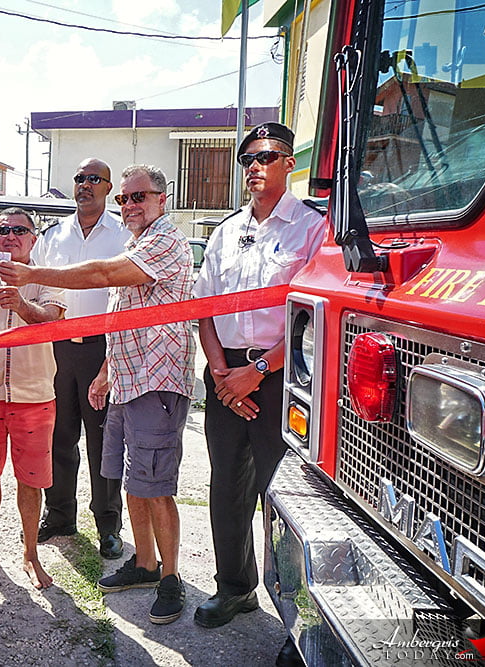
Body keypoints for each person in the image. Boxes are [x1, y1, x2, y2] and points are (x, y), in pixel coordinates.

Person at [0, 164, 194, 625]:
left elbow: (104, 275)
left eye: (137, 196)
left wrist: (31, 273)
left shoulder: (165, 239)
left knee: (156, 486)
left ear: (162, 198)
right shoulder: (137, 241)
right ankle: (144, 563)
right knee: (132, 480)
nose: (129, 205)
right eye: (125, 198)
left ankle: (170, 578)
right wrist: (107, 371)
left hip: (156, 379)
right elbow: (121, 313)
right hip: (127, 375)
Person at [191, 122, 327, 632]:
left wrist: (259, 370)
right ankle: (235, 590)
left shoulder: (312, 226)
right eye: (247, 157)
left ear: (289, 163)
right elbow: (204, 309)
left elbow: (313, 317)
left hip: (281, 375)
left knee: (284, 497)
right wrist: (224, 373)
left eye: (266, 156)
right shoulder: (226, 230)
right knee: (226, 486)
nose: (253, 165)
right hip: (225, 371)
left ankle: (297, 618)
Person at [31, 158, 131, 560]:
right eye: (79, 178)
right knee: (58, 436)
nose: (85, 185)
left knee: (104, 441)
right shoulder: (52, 238)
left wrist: (111, 362)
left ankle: (108, 524)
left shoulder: (124, 236)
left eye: (94, 179)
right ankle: (58, 515)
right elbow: (34, 284)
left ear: (108, 189)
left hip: (101, 352)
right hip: (56, 351)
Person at [0, 207, 66, 590]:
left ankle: (30, 554)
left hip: (34, 395)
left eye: (19, 230)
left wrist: (21, 305)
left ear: (33, 239)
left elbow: (52, 321)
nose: (10, 236)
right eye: (3, 230)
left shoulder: (46, 279)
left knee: (31, 479)